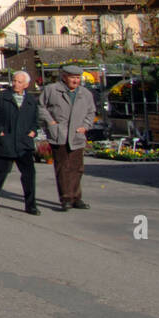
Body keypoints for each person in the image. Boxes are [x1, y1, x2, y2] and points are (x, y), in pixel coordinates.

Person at [39, 65, 96, 211]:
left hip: (77, 135)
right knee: (63, 168)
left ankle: (77, 198)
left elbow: (91, 112)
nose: (75, 81)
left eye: (78, 78)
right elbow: (40, 107)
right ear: (64, 77)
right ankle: (66, 199)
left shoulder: (85, 93)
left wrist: (86, 125)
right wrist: (51, 122)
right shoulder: (52, 90)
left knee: (77, 168)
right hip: (59, 135)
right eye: (72, 78)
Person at [0, 70, 40, 215]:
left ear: (26, 84)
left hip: (24, 143)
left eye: (19, 82)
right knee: (1, 172)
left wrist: (33, 131)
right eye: (14, 81)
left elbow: (36, 120)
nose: (15, 84)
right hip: (6, 141)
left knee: (29, 174)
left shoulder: (31, 101)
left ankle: (30, 205)